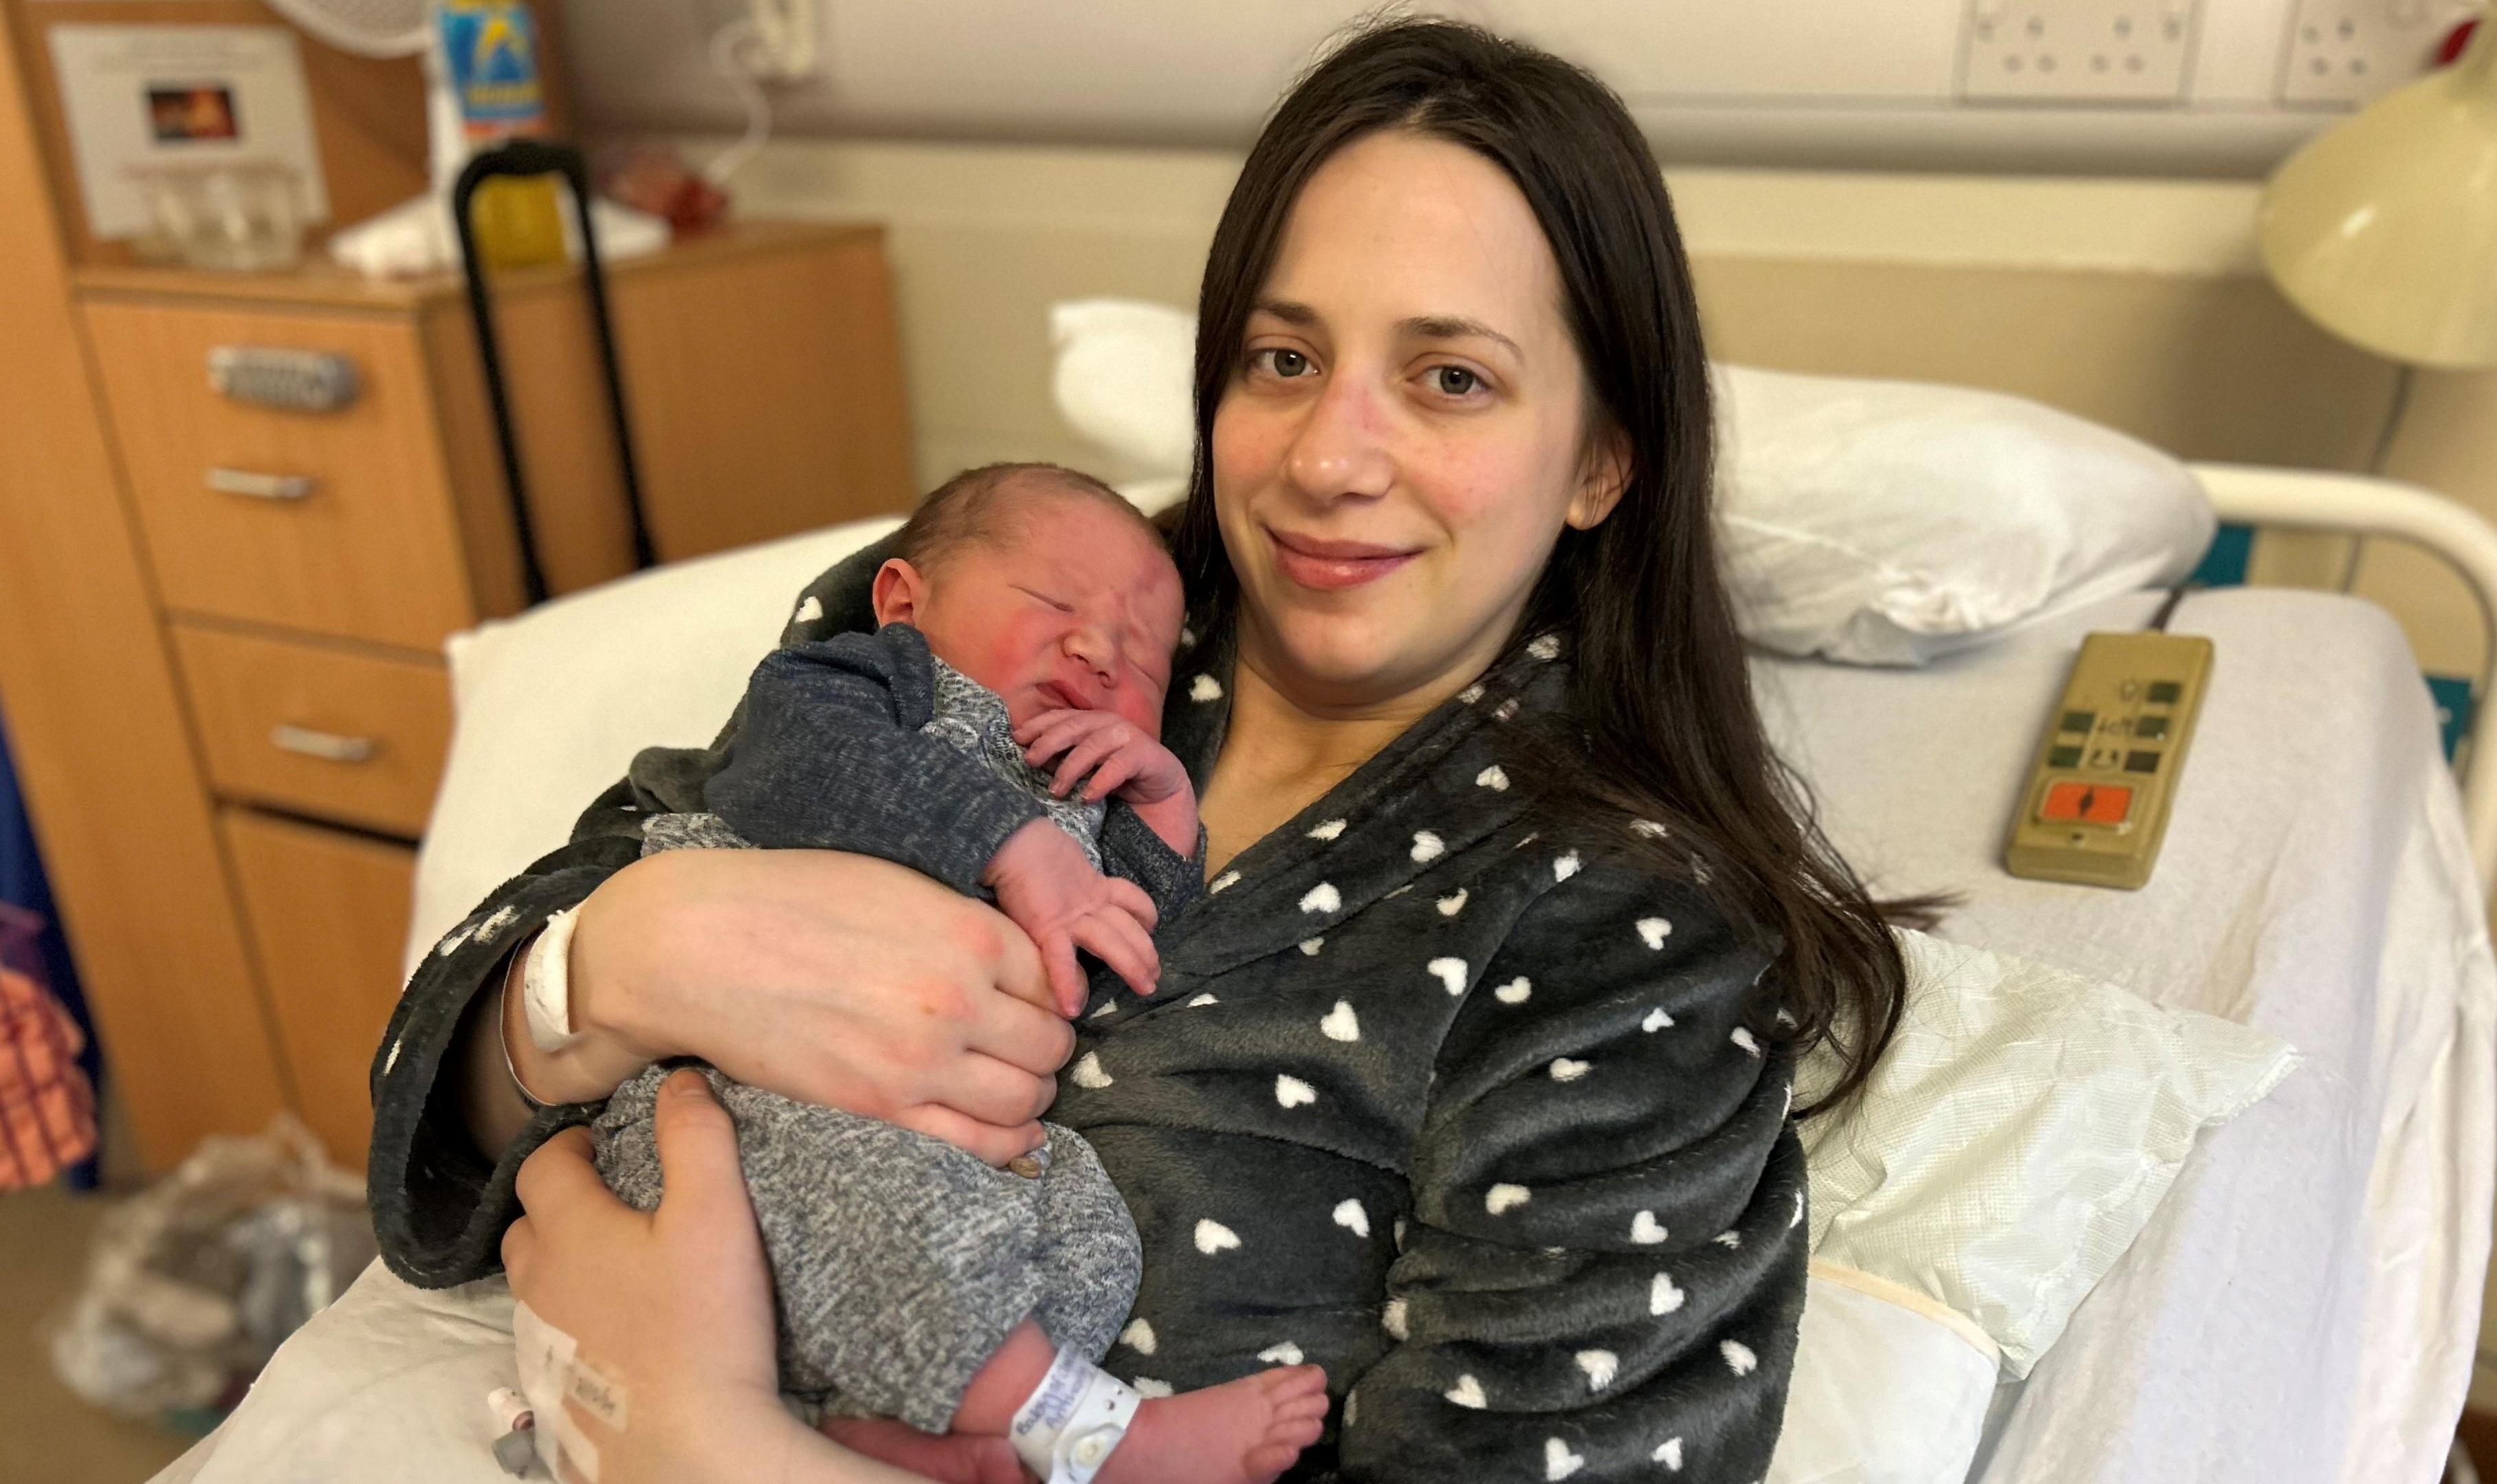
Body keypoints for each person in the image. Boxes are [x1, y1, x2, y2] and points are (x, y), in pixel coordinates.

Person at [370, 19, 1909, 1483]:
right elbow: (432, 1127)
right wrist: (619, 958)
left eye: (1452, 378)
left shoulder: (1620, 937)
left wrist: (711, 1447)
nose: (1329, 458)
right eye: (1283, 360)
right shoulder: (1042, 614)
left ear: (1600, 459)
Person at [581, 463, 1326, 1484]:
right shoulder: (864, 693)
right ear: (901, 602)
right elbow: (795, 764)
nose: (1098, 650)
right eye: (1054, 604)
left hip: (942, 1137)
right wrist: (1015, 845)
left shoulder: (1081, 787)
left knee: (1088, 1228)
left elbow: (1134, 950)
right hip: (743, 1096)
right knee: (896, 1213)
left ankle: (899, 1433)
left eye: (1145, 660)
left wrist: (1162, 812)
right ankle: (1098, 1438)